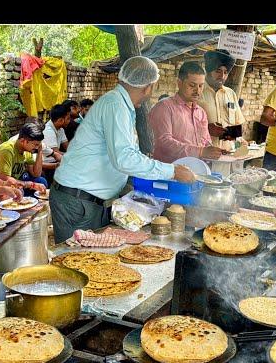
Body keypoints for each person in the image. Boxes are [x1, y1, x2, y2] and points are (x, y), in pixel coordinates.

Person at [49, 56, 195, 243]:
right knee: (78, 264)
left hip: (89, 202)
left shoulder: (120, 105)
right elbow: (124, 159)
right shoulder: (115, 105)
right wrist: (172, 171)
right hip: (77, 202)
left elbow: (126, 155)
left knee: (94, 262)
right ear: (148, 87)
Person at [149, 61, 223, 163]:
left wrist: (213, 152)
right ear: (179, 83)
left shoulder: (201, 113)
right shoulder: (164, 108)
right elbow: (164, 143)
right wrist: (200, 151)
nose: (197, 91)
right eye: (192, 85)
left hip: (197, 171)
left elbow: (206, 142)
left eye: (200, 86)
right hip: (169, 173)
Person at [198, 49, 245, 146]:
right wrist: (206, 129)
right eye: (218, 71)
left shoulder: (230, 93)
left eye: (226, 72)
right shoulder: (196, 92)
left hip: (227, 154)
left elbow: (239, 127)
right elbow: (182, 126)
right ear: (208, 70)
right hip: (203, 155)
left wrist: (226, 134)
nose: (222, 76)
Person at [0, 122, 47, 194]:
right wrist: (30, 185)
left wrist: (40, 151)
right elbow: (5, 179)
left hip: (16, 181)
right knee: (19, 191)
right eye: (35, 144)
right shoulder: (7, 151)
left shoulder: (28, 150)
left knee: (41, 181)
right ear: (23, 141)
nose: (36, 147)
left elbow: (36, 174)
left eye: (38, 145)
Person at [41, 103, 71, 182]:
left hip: (55, 161)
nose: (69, 121)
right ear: (61, 120)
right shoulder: (48, 130)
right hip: (47, 165)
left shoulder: (60, 129)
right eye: (68, 118)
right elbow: (56, 153)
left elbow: (68, 147)